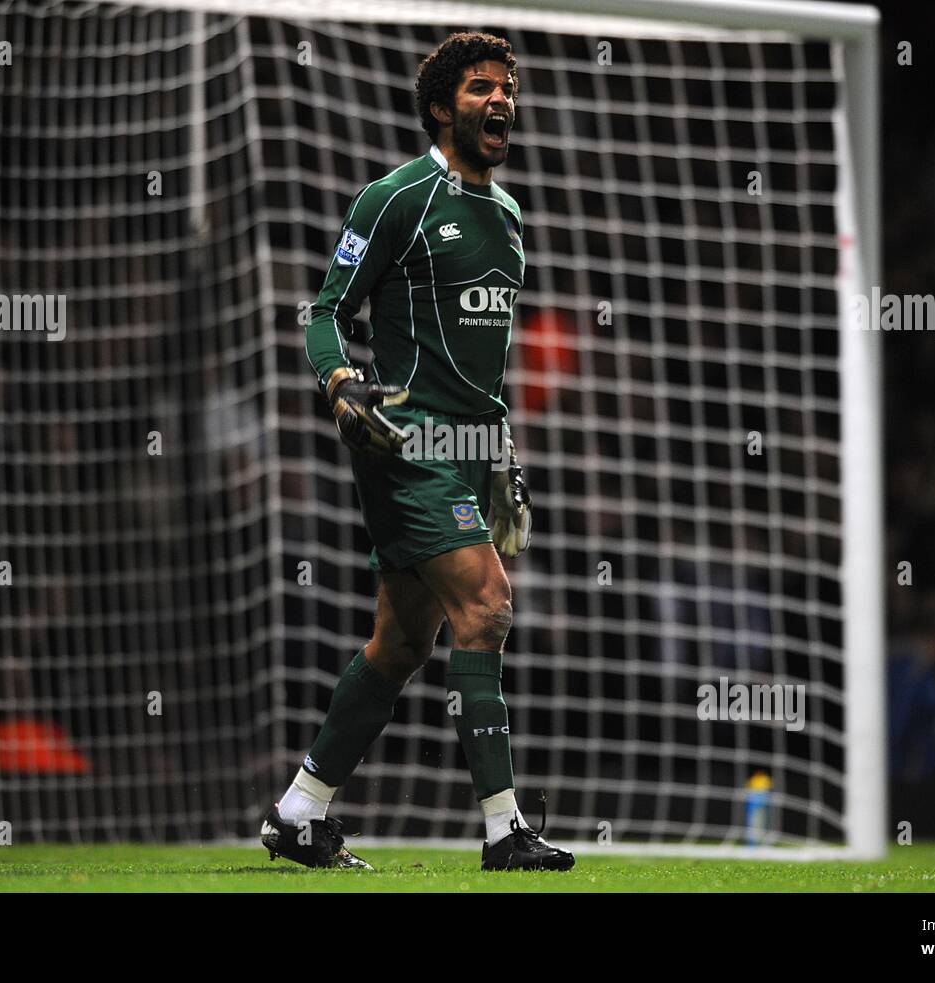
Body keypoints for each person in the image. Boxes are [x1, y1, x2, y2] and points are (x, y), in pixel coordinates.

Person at [259, 32, 573, 872]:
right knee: (489, 606)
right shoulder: (396, 197)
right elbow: (326, 309)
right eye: (479, 88)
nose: (500, 100)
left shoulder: (506, 216)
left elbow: (483, 366)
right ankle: (505, 830)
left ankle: (300, 810)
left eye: (507, 87)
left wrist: (499, 451)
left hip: (467, 449)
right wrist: (338, 383)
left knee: (401, 644)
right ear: (442, 107)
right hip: (406, 441)